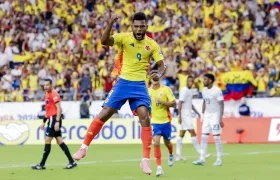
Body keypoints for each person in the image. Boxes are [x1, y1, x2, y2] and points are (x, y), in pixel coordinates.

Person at [72, 12, 166, 175]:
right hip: (123, 82)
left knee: (145, 117)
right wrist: (109, 24)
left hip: (139, 85)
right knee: (105, 113)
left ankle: (145, 160)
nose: (138, 29)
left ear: (146, 27)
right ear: (132, 26)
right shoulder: (124, 38)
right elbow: (104, 41)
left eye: (141, 26)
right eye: (135, 26)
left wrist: (158, 73)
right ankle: (83, 147)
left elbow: (161, 64)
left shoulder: (152, 44)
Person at [31, 79, 77, 170]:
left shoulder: (54, 94)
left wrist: (56, 121)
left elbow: (59, 109)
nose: (45, 87)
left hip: (54, 119)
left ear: (51, 85)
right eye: (44, 85)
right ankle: (72, 162)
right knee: (59, 140)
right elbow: (48, 111)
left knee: (47, 140)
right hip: (51, 119)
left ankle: (42, 164)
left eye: (47, 85)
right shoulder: (47, 94)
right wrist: (44, 122)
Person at [176, 76, 211, 161]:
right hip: (185, 115)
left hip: (187, 114)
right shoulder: (184, 90)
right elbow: (180, 103)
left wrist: (198, 113)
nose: (190, 83)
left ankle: (178, 155)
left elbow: (190, 104)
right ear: (186, 82)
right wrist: (180, 116)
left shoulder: (189, 91)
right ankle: (202, 153)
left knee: (181, 134)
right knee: (193, 133)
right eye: (189, 81)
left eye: (192, 81)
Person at [192, 73, 224, 166]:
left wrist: (220, 117)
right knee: (203, 137)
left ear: (210, 80)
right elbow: (205, 101)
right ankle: (202, 158)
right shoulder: (204, 90)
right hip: (207, 115)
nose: (203, 81)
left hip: (215, 115)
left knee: (216, 137)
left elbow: (222, 104)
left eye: (205, 79)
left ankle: (219, 159)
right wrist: (202, 114)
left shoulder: (217, 90)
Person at [148, 71, 176, 177]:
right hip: (155, 122)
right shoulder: (148, 91)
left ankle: (170, 154)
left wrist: (163, 102)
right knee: (156, 142)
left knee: (167, 142)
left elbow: (174, 103)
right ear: (150, 78)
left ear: (159, 77)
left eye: (156, 75)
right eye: (152, 76)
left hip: (166, 121)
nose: (154, 77)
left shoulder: (166, 89)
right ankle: (159, 167)